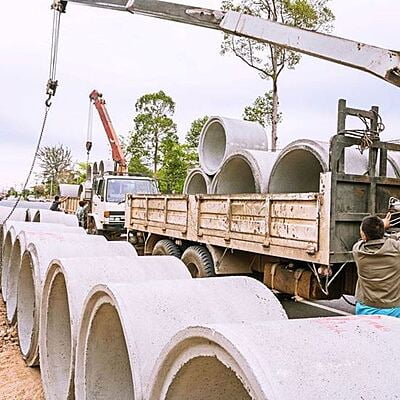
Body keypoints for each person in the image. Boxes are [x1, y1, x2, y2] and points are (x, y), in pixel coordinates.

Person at [352, 213, 400, 318]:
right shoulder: (396, 248)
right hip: (394, 310)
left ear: (363, 235)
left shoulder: (357, 251)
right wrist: (382, 227)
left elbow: (363, 240)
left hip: (365, 309)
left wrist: (382, 225)